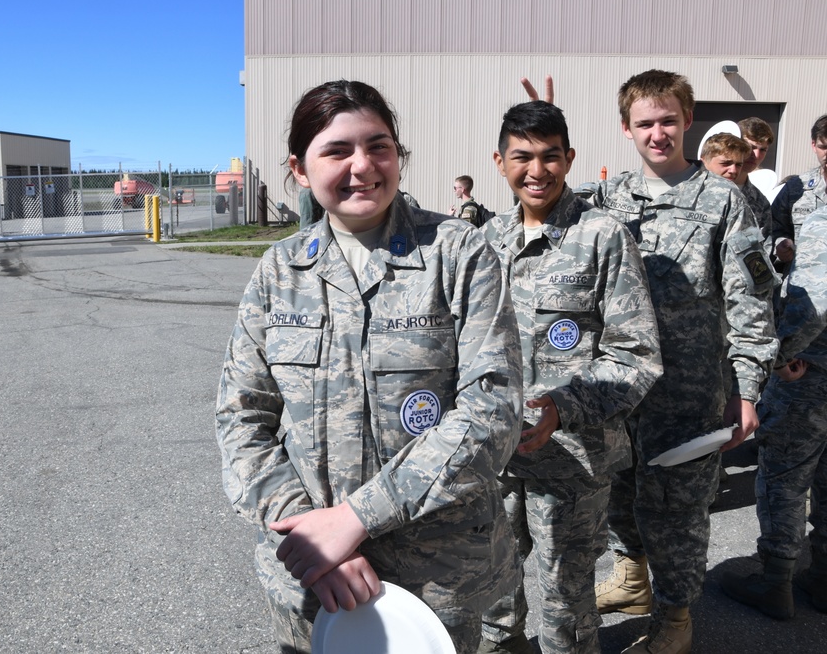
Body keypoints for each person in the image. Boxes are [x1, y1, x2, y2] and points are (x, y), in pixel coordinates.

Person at [215, 79, 525, 654]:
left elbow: (493, 411)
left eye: (379, 146)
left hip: (437, 582)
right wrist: (311, 536)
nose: (363, 166)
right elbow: (242, 418)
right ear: (300, 169)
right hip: (313, 585)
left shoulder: (458, 253)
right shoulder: (279, 271)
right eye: (337, 151)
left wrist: (355, 519)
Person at [582, 69, 777, 654]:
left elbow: (750, 301)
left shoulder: (723, 200)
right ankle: (631, 575)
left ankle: (674, 617)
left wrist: (746, 390)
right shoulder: (607, 199)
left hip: (690, 394)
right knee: (618, 490)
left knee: (680, 512)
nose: (658, 133)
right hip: (618, 387)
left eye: (668, 120)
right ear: (625, 129)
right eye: (645, 123)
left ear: (687, 120)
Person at [478, 101, 662, 654]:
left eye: (550, 157)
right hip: (495, 455)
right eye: (522, 157)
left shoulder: (603, 237)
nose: (537, 171)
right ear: (499, 161)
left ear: (569, 159)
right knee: (491, 586)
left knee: (567, 597)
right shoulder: (484, 243)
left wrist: (563, 405)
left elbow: (637, 356)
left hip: (574, 459)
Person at [720, 204, 827, 620]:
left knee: (785, 474)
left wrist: (776, 357)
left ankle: (774, 580)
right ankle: (822, 576)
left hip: (810, 376)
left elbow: (815, 303)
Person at [770, 114, 827, 270]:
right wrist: (780, 246)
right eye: (823, 147)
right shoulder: (796, 188)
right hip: (803, 287)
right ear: (814, 145)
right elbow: (774, 228)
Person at [737, 117, 775, 245]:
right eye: (751, 147)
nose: (756, 155)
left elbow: (764, 247)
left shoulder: (761, 203)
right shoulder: (704, 185)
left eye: (763, 149)